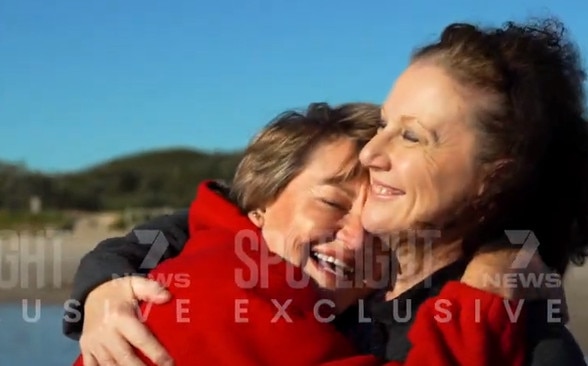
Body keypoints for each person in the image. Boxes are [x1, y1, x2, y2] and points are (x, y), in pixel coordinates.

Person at [65, 17, 588, 365]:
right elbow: (203, 225)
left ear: (494, 175)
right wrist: (103, 285)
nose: (374, 153)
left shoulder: (529, 341)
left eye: (413, 135)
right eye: (388, 123)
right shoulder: (262, 282)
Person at [70, 102, 530, 366]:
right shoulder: (234, 294)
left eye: (379, 231)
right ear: (259, 204)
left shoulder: (222, 262)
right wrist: (488, 289)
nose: (354, 239)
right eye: (331, 203)